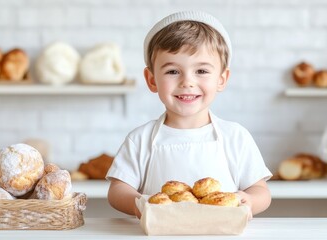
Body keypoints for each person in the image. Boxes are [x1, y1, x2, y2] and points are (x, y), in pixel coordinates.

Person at [106, 10, 272, 218]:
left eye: (201, 71)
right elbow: (117, 191)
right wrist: (139, 205)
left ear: (221, 79)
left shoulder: (236, 137)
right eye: (172, 71)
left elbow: (261, 191)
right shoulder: (140, 139)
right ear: (152, 80)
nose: (187, 82)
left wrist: (249, 201)